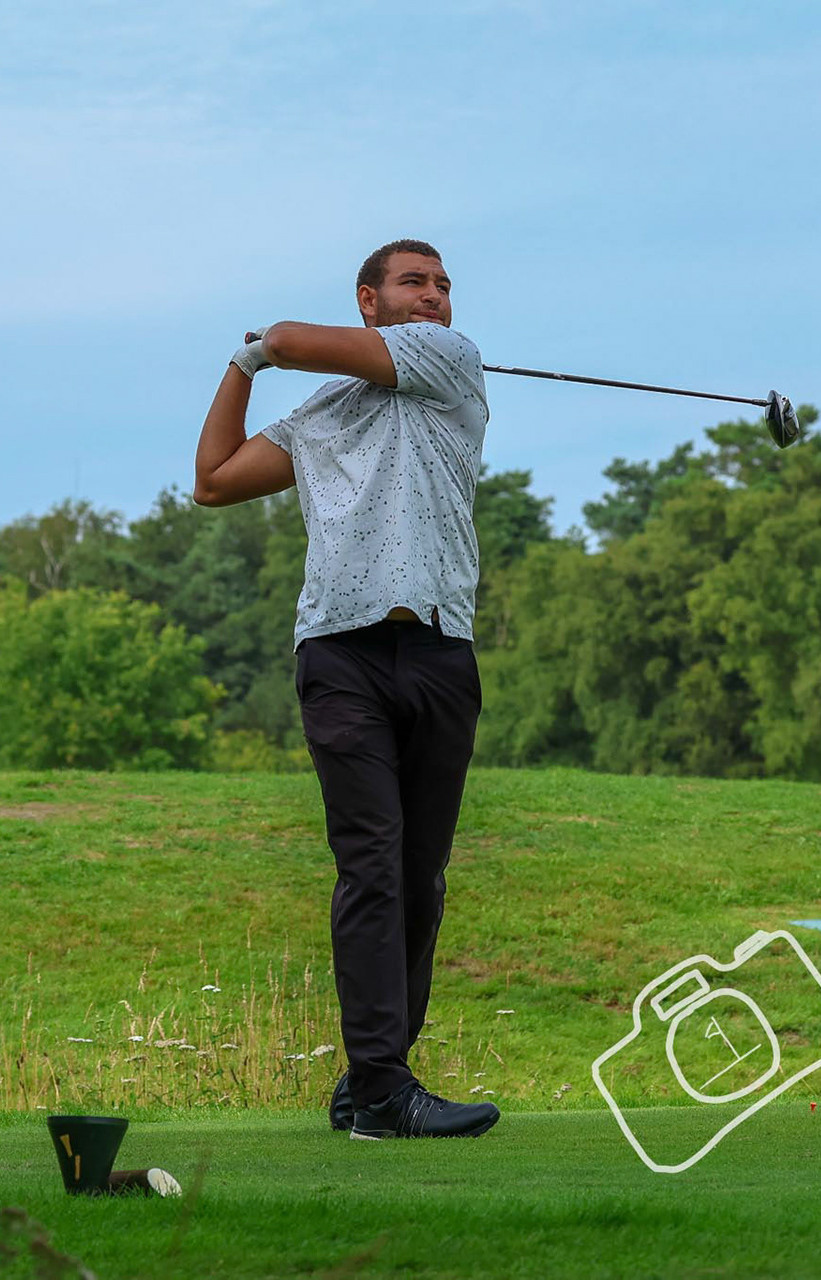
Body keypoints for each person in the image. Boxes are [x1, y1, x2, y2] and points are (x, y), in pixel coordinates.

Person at [191, 238, 499, 1140]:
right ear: (370, 300)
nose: (435, 296)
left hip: (439, 650)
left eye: (442, 285)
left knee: (420, 877)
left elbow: (291, 336)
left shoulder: (452, 361)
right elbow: (213, 481)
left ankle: (373, 1072)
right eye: (415, 283)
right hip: (340, 653)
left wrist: (269, 341)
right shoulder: (326, 416)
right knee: (371, 862)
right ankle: (380, 1092)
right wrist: (240, 365)